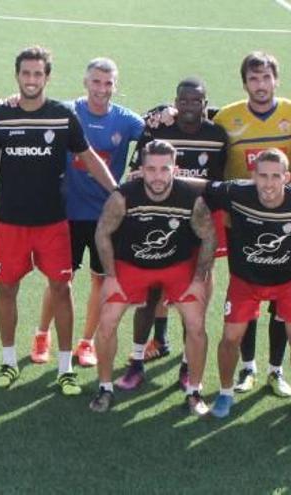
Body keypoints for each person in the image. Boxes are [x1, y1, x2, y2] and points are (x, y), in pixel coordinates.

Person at [0, 46, 116, 395]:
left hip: (53, 223)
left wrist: (117, 192)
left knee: (61, 289)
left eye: (38, 74)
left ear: (47, 77)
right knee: (7, 288)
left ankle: (65, 368)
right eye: (26, 73)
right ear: (17, 76)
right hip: (10, 222)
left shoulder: (63, 116)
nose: (31, 80)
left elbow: (90, 157)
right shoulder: (0, 116)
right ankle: (8, 362)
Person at [116, 77, 227, 392]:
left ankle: (187, 367)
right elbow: (135, 173)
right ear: (175, 102)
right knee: (151, 295)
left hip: (200, 224)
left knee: (196, 297)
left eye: (196, 101)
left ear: (205, 104)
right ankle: (137, 362)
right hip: (159, 224)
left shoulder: (217, 135)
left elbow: (218, 184)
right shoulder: (159, 130)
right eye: (184, 100)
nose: (189, 106)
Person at [31, 57, 144, 369]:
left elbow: (158, 131)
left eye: (108, 83)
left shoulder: (127, 121)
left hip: (105, 217)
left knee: (100, 281)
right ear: (85, 82)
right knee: (58, 280)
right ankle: (42, 334)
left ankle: (87, 342)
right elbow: (31, 109)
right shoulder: (65, 111)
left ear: (115, 86)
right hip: (65, 213)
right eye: (96, 81)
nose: (101, 89)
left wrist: (167, 111)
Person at [89, 140, 215, 415]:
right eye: (151, 169)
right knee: (107, 322)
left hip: (177, 266)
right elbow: (102, 232)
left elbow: (208, 237)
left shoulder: (190, 198)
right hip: (131, 265)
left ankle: (194, 391)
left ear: (175, 169)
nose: (157, 177)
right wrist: (110, 275)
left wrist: (198, 278)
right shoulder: (123, 195)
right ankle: (105, 387)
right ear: (141, 170)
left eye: (164, 169)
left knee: (195, 324)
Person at [213, 52, 291, 396]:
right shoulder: (227, 118)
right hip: (243, 223)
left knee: (282, 300)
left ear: (276, 79)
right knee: (248, 294)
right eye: (253, 79)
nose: (261, 85)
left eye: (266, 78)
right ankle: (248, 368)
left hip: (285, 220)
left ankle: (276, 369)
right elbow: (213, 164)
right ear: (245, 83)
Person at [204, 149, 291, 417]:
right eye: (262, 175)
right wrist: (170, 176)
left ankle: (275, 372)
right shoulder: (237, 193)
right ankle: (226, 392)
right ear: (252, 176)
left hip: (287, 282)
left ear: (286, 177)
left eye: (275, 176)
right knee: (230, 338)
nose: (268, 183)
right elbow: (202, 187)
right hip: (245, 281)